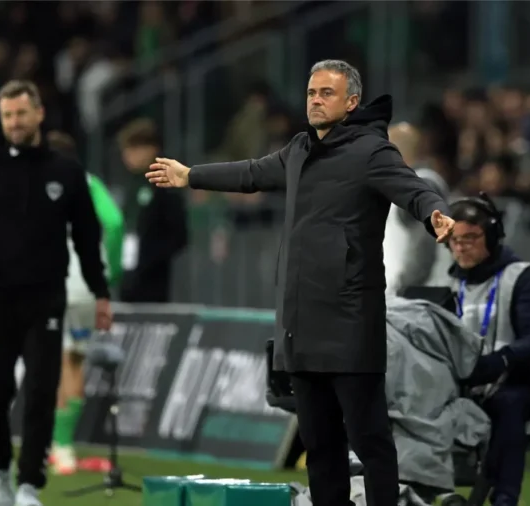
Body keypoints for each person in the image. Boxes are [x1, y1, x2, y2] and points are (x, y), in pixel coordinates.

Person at [146, 60, 455, 506]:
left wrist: (434, 213)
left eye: (327, 93)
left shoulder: (372, 152)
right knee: (320, 447)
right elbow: (251, 173)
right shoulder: (299, 149)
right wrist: (191, 175)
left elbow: (413, 188)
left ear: (352, 102)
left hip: (351, 323)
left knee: (369, 440)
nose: (315, 100)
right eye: (311, 92)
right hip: (301, 323)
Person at [0, 80, 113, 506]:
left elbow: (87, 237)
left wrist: (101, 292)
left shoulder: (66, 172)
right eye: (7, 116)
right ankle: (0, 469)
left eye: (21, 113)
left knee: (40, 391)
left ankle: (28, 485)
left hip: (46, 297)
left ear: (39, 114)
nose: (14, 122)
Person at [447, 194, 530, 506]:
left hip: (513, 380)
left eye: (470, 238)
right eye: (454, 240)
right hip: (455, 384)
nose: (460, 247)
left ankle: (505, 497)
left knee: (508, 404)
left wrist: (500, 360)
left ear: (492, 237)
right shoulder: (447, 282)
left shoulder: (520, 276)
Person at [44, 131, 124, 475]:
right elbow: (115, 223)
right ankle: (62, 445)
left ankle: (57, 446)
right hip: (85, 286)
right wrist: (111, 271)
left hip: (46, 284)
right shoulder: (89, 183)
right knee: (73, 362)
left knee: (52, 361)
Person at [116, 118, 188, 303]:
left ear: (150, 149)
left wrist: (149, 258)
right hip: (128, 274)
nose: (126, 156)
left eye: (132, 150)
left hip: (153, 281)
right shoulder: (133, 183)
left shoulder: (166, 182)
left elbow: (179, 235)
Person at [383, 121, 452, 294]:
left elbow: (424, 249)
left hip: (418, 299)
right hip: (401, 300)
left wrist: (402, 289)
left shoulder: (420, 186)